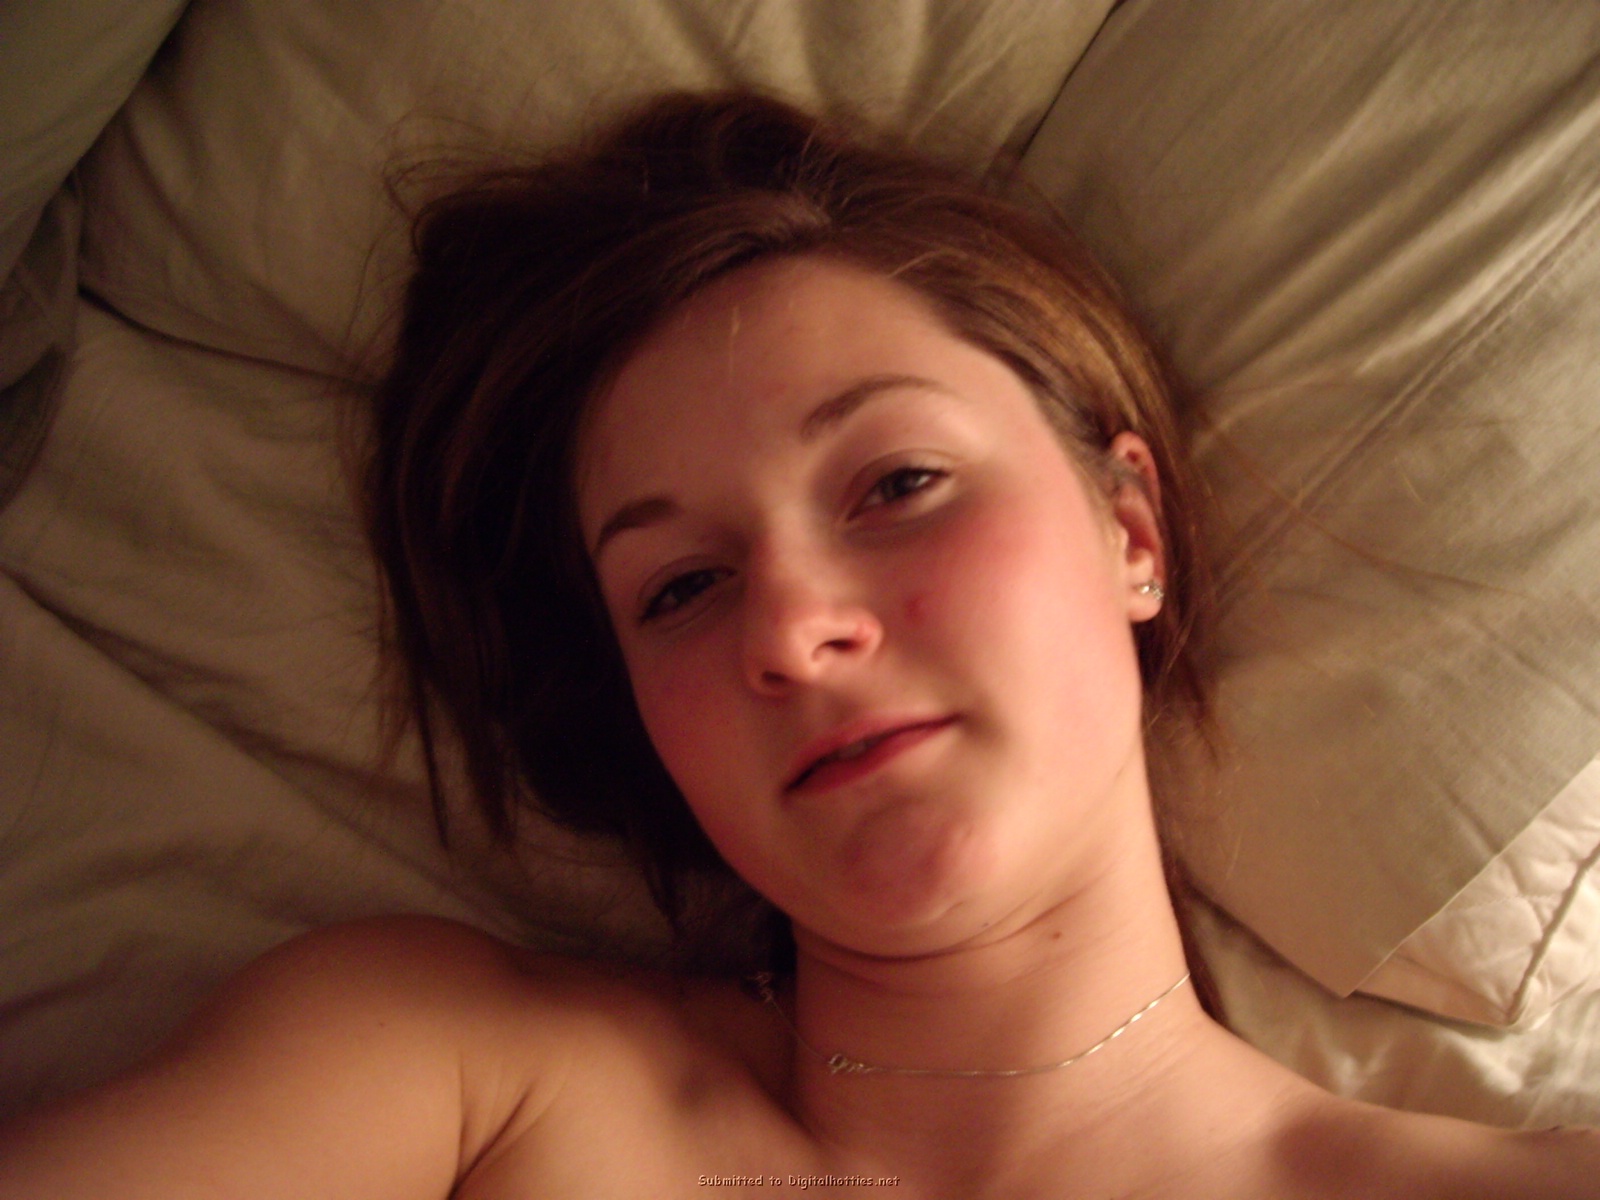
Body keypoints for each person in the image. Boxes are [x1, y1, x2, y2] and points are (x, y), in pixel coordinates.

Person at [0, 90, 1594, 1199]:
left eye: (898, 484)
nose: (791, 629)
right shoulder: (457, 1074)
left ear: (1131, 530)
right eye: (681, 588)